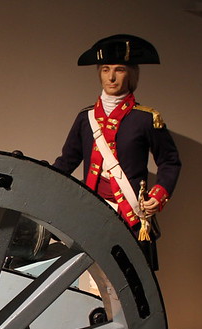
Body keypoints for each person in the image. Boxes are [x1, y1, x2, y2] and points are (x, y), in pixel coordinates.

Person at [53, 34, 181, 270]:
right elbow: (66, 162)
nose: (111, 77)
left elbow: (170, 162)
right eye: (105, 69)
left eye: (119, 69)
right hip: (93, 211)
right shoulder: (86, 118)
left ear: (131, 73)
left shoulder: (146, 119)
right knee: (92, 282)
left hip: (129, 214)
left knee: (131, 284)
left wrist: (158, 194)